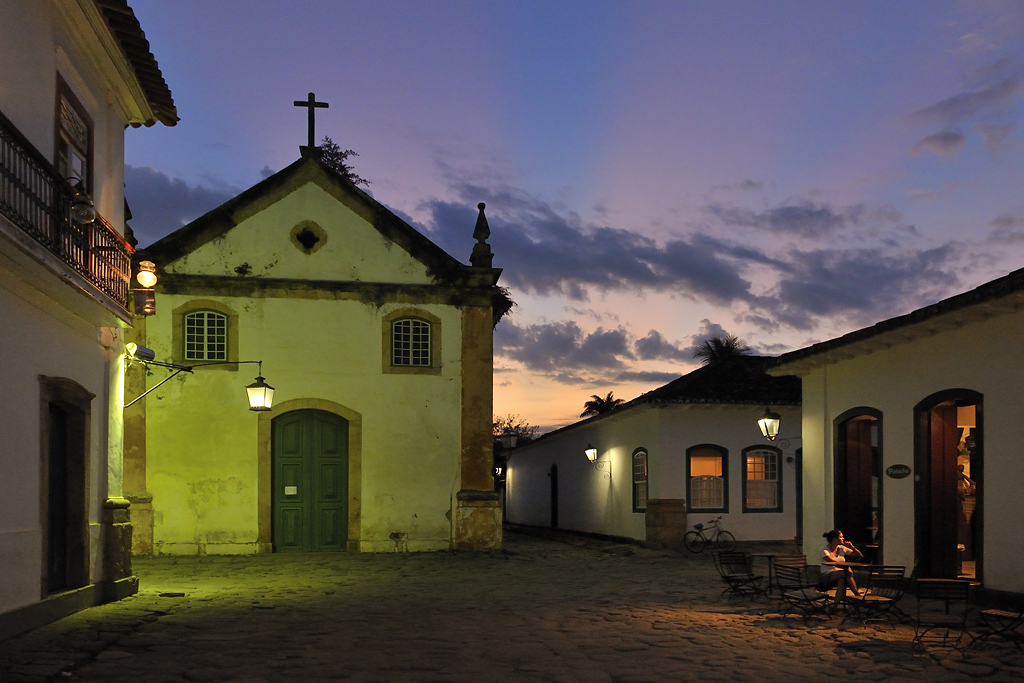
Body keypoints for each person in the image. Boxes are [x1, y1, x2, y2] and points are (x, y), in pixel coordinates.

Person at [819, 529, 864, 603]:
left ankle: (834, 605)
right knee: (847, 573)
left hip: (840, 575)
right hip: (826, 575)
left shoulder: (842, 548)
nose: (843, 539)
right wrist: (846, 567)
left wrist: (852, 547)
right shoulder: (824, 550)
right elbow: (831, 561)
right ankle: (858, 595)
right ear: (834, 539)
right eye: (841, 537)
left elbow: (860, 556)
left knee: (842, 581)